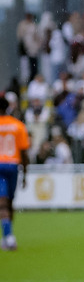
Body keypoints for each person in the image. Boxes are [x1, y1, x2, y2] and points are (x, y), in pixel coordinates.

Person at [0, 96, 30, 251]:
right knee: (9, 202)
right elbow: (24, 152)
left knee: (2, 202)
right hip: (13, 166)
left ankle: (8, 237)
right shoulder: (18, 125)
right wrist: (25, 174)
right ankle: (8, 236)